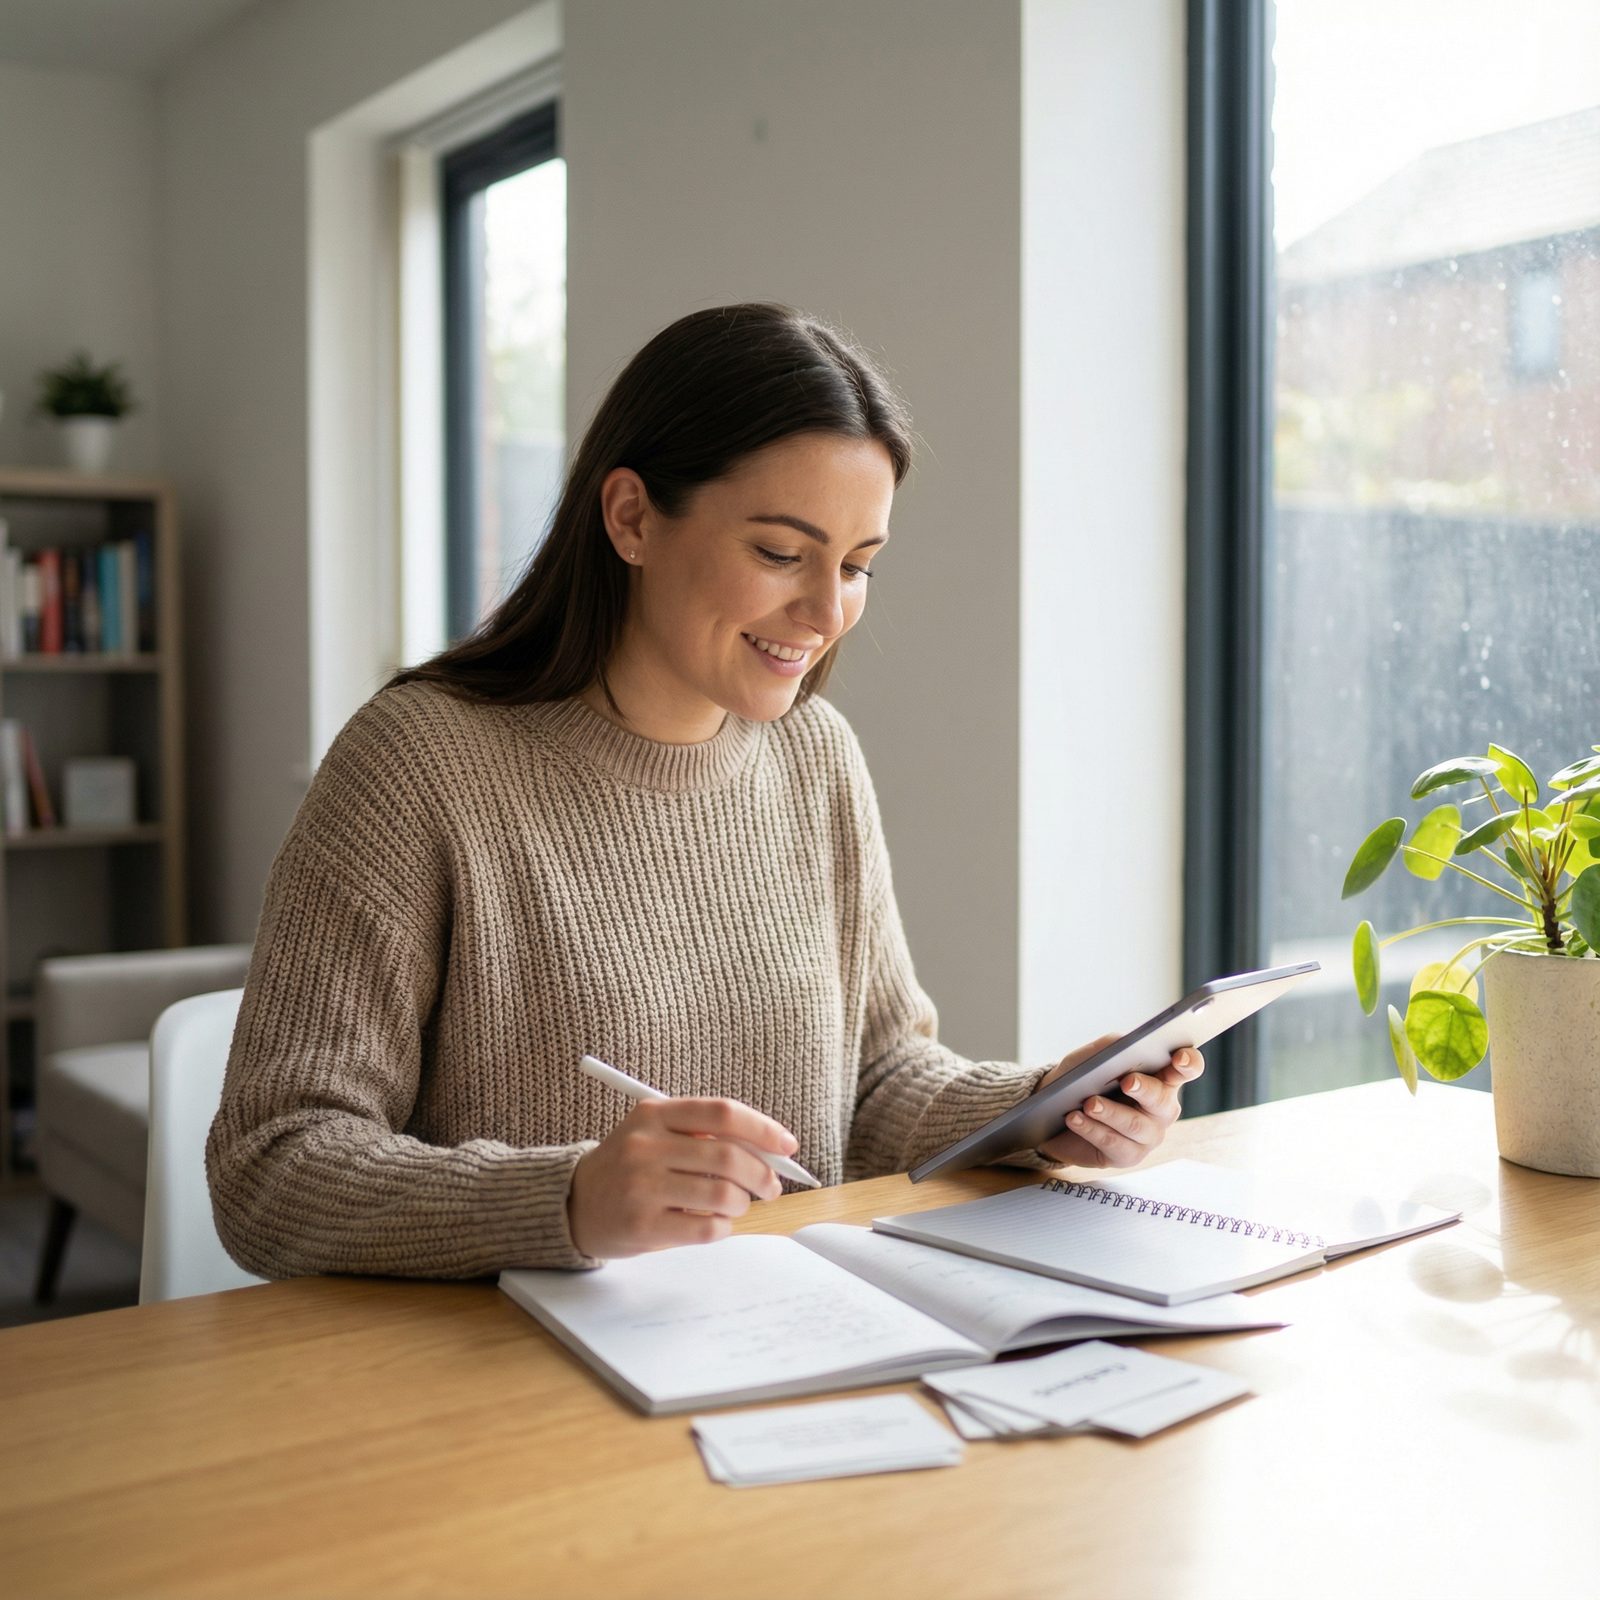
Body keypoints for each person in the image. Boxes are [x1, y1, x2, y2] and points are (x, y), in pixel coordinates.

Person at [207, 303, 1202, 1277]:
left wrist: (1046, 1106)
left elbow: (878, 1077)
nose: (824, 612)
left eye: (857, 566)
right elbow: (272, 1165)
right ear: (631, 516)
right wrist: (565, 1200)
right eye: (779, 553)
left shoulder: (817, 757)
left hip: (778, 1340)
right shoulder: (416, 764)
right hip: (512, 1389)